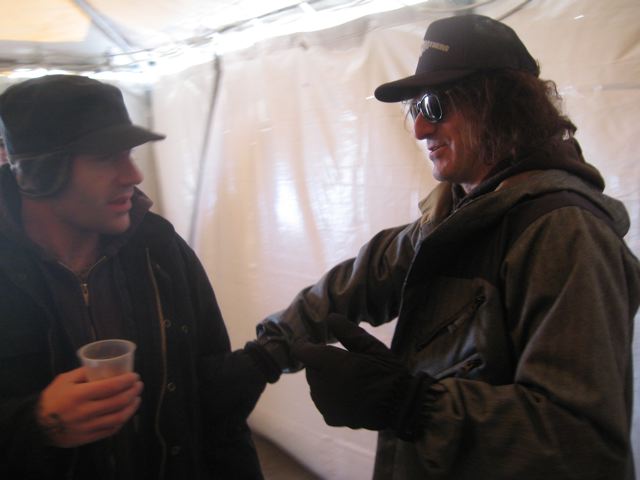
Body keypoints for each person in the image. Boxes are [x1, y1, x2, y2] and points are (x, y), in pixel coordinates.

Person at [255, 14, 640, 479]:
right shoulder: (459, 212)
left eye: (434, 106)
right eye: (415, 107)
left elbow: (582, 442)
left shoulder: (564, 233)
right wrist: (266, 354)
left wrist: (412, 405)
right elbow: (363, 278)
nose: (419, 128)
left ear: (502, 106)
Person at [0, 75, 280, 479]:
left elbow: (211, 401)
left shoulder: (159, 247)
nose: (133, 174)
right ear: (39, 173)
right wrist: (37, 424)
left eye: (129, 154)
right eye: (105, 158)